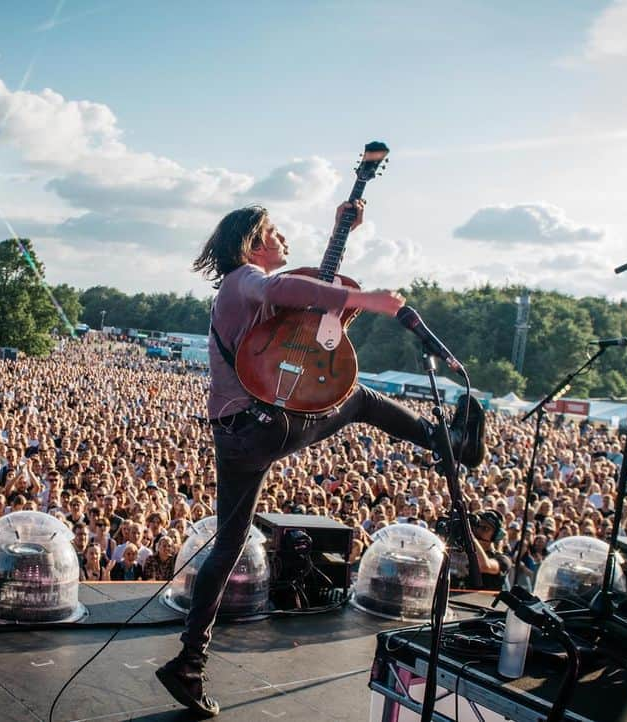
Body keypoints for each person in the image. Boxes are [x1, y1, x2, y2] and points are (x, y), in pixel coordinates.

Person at [155, 200, 487, 717]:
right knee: (358, 398)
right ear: (252, 243)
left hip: (234, 433)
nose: (284, 239)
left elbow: (301, 297)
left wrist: (340, 230)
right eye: (275, 233)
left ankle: (188, 663)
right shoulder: (246, 279)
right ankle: (449, 443)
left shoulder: (235, 290)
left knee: (228, 543)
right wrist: (367, 299)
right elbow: (288, 287)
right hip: (262, 427)